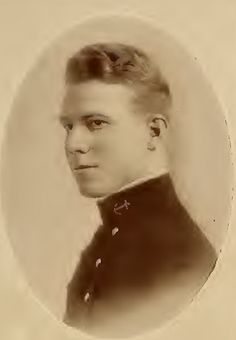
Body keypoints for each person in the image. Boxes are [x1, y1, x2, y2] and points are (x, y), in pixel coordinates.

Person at [59, 42, 217, 336]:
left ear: (153, 132)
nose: (72, 144)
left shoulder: (179, 262)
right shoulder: (117, 231)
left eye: (95, 123)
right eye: (68, 126)